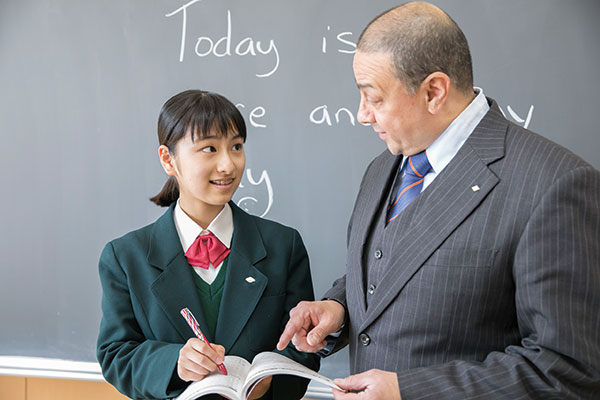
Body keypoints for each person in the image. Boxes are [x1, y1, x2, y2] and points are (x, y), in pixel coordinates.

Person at [277, 2, 600, 399]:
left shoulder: (555, 184)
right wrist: (339, 309)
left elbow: (565, 368)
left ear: (434, 91)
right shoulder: (384, 166)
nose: (363, 115)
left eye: (373, 98)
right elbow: (395, 270)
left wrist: (408, 390)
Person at [97, 90, 319, 400]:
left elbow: (304, 348)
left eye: (237, 147)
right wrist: (175, 363)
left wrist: (265, 384)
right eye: (209, 149)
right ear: (168, 159)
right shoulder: (125, 256)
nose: (228, 165)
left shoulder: (283, 245)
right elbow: (116, 354)